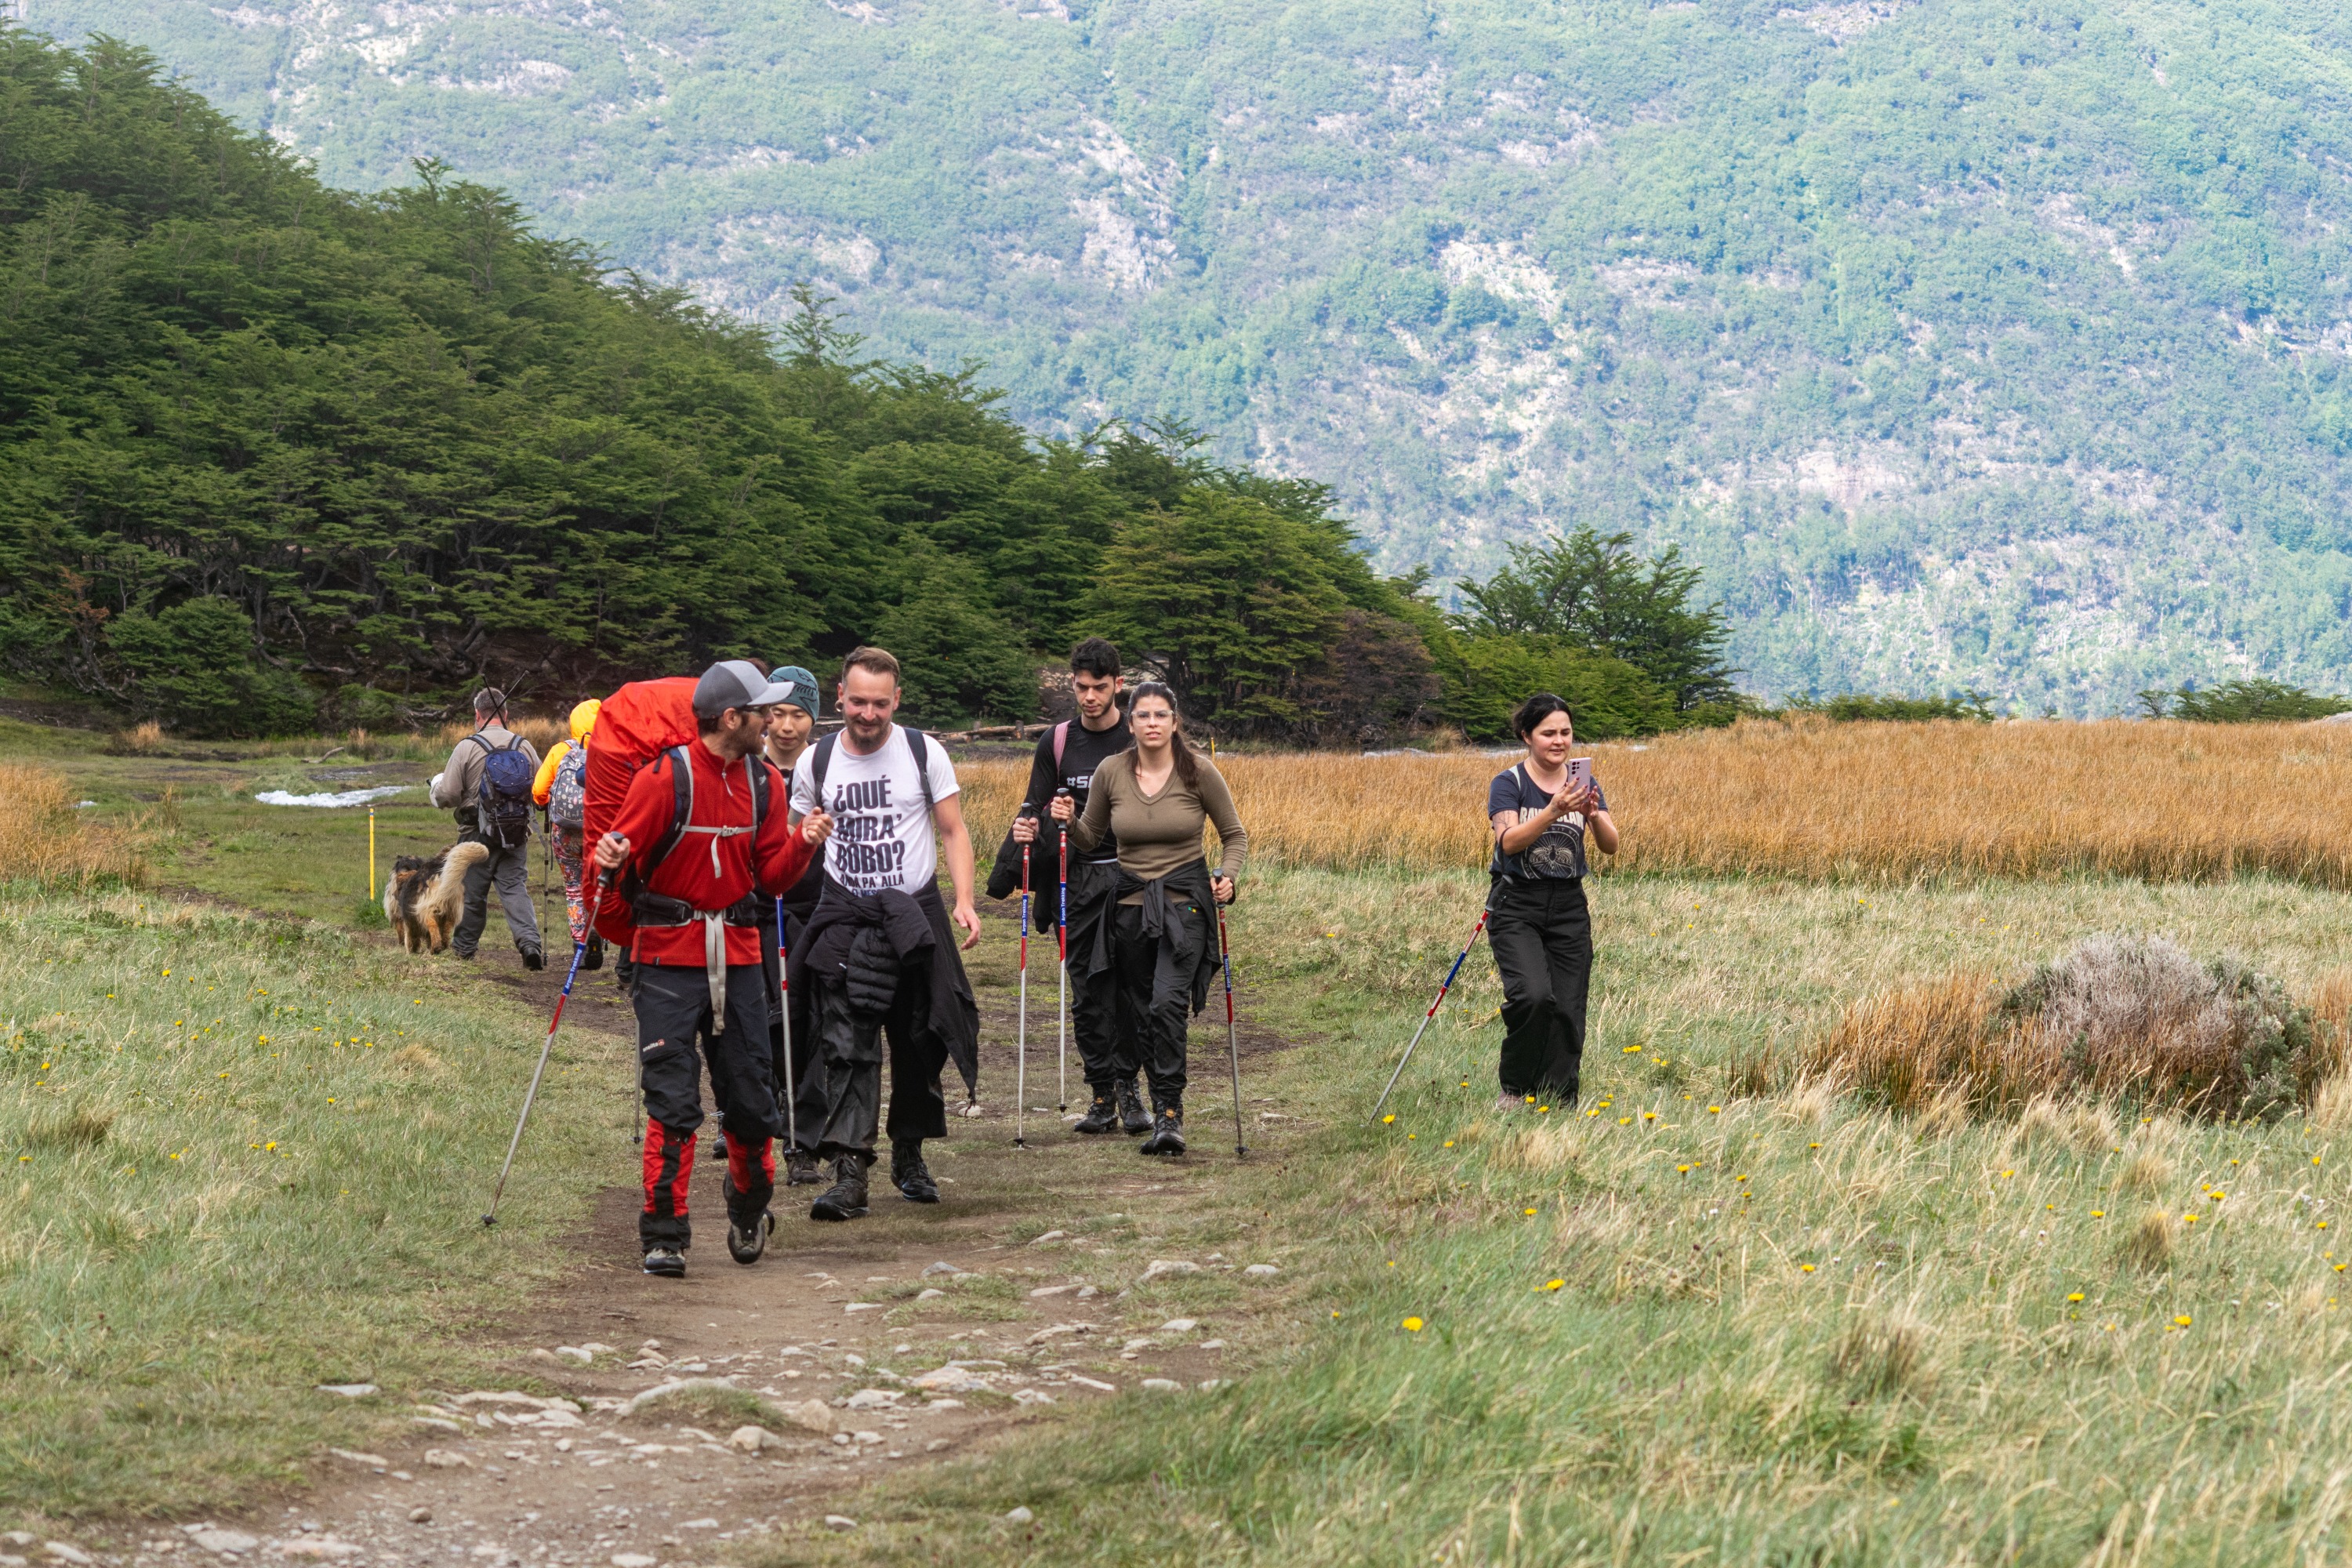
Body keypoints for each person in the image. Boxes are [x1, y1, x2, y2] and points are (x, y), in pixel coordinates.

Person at [589, 660, 833, 1278]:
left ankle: (749, 1208)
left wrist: (802, 842)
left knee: (751, 1100)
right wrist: (610, 857)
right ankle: (665, 1236)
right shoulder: (659, 780)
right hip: (666, 962)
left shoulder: (765, 786)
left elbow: (771, 879)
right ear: (733, 719)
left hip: (743, 959)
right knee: (671, 1102)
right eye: (765, 712)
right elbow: (619, 859)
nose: (775, 721)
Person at [787, 646, 982, 1221]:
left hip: (914, 913)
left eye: (879, 703)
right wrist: (806, 834)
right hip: (845, 912)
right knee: (845, 1044)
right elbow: (792, 838)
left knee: (922, 1038)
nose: (867, 714)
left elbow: (952, 829)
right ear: (839, 696)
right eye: (857, 702)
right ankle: (850, 1173)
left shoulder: (925, 752)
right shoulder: (816, 761)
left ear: (896, 699)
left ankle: (909, 1153)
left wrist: (964, 900)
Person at [1053, 681, 1247, 1156]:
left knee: (1165, 1005)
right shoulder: (1111, 771)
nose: (1153, 723)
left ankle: (1169, 1115)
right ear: (1132, 721)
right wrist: (1067, 822)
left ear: (1175, 722)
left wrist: (1228, 877)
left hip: (1187, 906)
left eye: (1162, 715)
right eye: (1144, 716)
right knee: (1140, 1013)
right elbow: (1091, 835)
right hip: (1129, 907)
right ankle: (1146, 1101)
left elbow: (1234, 836)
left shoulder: (1200, 772)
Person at [1004, 637, 1143, 1134]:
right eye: (1081, 687)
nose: (1088, 697)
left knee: (1130, 990)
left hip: (1130, 877)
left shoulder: (1135, 740)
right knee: (1087, 992)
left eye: (1099, 688)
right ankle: (1102, 1094)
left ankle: (1130, 1088)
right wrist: (1029, 824)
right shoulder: (1057, 741)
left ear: (1118, 686)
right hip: (1074, 881)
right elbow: (1032, 804)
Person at [1484, 692, 1619, 1112]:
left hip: (1568, 905)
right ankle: (1515, 1089)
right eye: (1548, 733)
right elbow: (1508, 843)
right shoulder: (1509, 783)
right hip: (1516, 902)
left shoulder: (1584, 783)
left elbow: (1611, 846)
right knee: (1532, 996)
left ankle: (1560, 1098)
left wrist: (1593, 813)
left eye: (1565, 732)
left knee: (1567, 1002)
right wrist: (1553, 809)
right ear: (1527, 736)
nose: (1559, 741)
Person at [750, 664, 828, 1185]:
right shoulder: (746, 769)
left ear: (813, 719)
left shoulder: (826, 770)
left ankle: (806, 1140)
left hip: (813, 909)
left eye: (797, 714)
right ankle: (751, 1117)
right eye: (777, 713)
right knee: (753, 1019)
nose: (785, 725)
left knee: (809, 1022)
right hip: (753, 908)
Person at [429, 688, 545, 970]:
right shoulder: (524, 746)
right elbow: (541, 788)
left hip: (475, 834)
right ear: (505, 715)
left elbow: (448, 795)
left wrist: (434, 789)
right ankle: (530, 943)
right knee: (515, 888)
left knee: (472, 892)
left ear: (477, 715)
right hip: (516, 833)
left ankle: (464, 949)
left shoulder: (467, 747)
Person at [532, 698, 604, 969]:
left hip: (565, 833)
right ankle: (599, 926)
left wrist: (543, 805)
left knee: (574, 887)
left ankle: (580, 945)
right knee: (599, 884)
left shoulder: (560, 751)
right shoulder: (612, 751)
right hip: (600, 831)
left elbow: (539, 791)